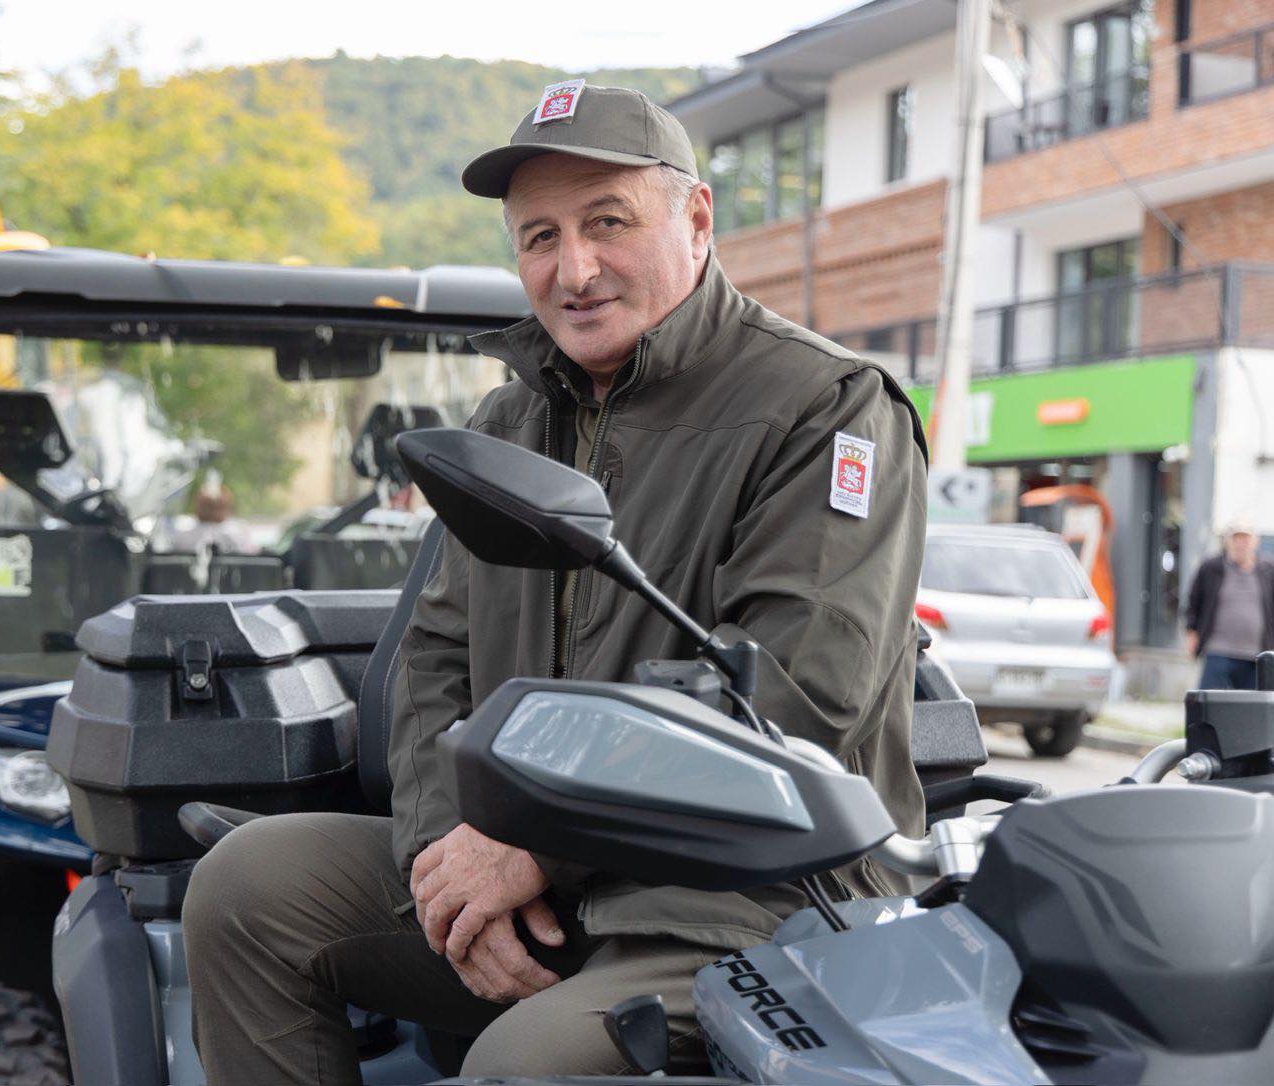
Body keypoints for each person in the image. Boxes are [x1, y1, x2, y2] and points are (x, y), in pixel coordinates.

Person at [183, 84, 929, 1080]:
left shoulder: (825, 406)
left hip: (744, 893)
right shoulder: (508, 423)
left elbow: (796, 700)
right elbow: (434, 661)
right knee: (246, 888)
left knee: (523, 1063)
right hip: (534, 871)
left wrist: (534, 848)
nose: (573, 270)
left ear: (696, 220)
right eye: (539, 237)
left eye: (607, 223)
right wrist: (447, 859)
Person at [1184, 521, 1274, 689]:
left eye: (1246, 538)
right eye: (1236, 538)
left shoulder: (1268, 570)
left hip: (1256, 655)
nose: (1241, 543)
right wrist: (1191, 633)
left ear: (1256, 541)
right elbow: (1194, 602)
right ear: (1228, 541)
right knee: (1212, 702)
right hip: (1218, 650)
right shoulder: (1211, 567)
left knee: (1255, 704)